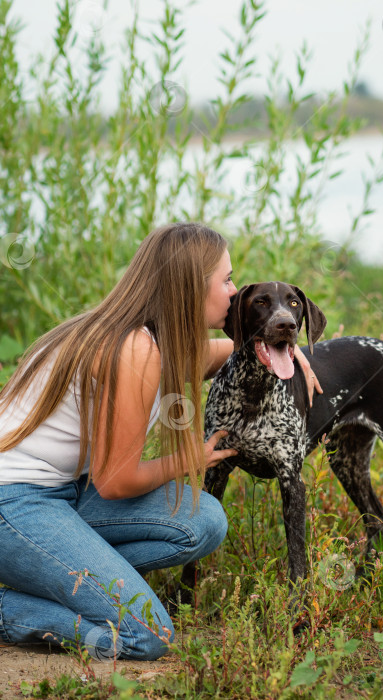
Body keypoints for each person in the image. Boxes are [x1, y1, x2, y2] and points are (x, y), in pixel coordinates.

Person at [0, 222, 320, 661]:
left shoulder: (152, 336)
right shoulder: (135, 349)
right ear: (190, 286)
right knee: (147, 635)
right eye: (225, 280)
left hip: (65, 494)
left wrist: (278, 345)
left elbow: (211, 354)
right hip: (14, 503)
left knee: (205, 519)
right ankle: (14, 604)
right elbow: (115, 482)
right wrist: (191, 457)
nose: (232, 291)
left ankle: (66, 574)